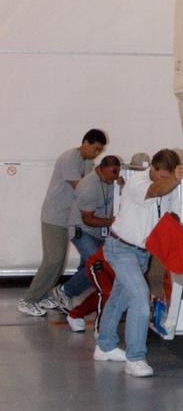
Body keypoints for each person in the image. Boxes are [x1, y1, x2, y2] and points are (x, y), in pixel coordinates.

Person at [94, 148, 183, 377]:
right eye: (163, 176)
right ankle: (135, 358)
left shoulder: (170, 186)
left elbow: (173, 215)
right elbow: (156, 190)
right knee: (139, 298)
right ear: (153, 169)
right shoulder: (137, 182)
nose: (166, 181)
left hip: (141, 253)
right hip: (120, 248)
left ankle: (104, 346)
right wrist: (175, 178)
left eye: (170, 177)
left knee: (118, 299)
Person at [17, 129, 108, 317]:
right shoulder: (69, 158)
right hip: (54, 217)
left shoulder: (88, 162)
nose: (97, 153)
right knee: (53, 260)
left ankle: (42, 296)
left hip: (68, 219)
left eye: (100, 150)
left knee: (59, 263)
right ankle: (28, 300)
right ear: (85, 142)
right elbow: (81, 189)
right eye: (95, 148)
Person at [58, 156, 124, 327]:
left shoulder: (114, 179)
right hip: (82, 230)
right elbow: (88, 220)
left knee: (90, 269)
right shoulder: (88, 187)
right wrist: (112, 222)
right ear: (100, 169)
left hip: (100, 232)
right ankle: (64, 291)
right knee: (96, 265)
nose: (112, 181)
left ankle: (73, 303)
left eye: (114, 177)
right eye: (109, 177)